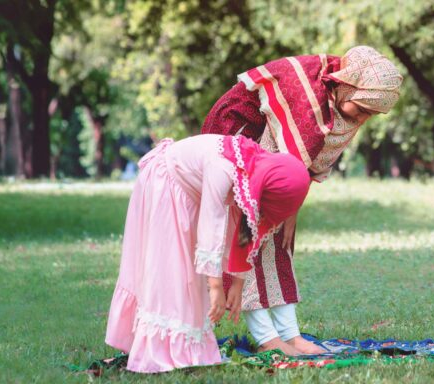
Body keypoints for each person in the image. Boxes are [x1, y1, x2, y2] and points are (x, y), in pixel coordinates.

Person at [201, 46, 402, 355]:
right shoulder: (305, 93)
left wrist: (289, 204)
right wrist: (284, 205)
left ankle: (289, 334)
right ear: (346, 85)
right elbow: (275, 157)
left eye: (370, 114)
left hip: (273, 166)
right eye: (361, 109)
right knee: (249, 241)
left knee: (279, 244)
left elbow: (307, 155)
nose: (362, 119)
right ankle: (267, 337)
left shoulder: (335, 96)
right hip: (238, 142)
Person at [105, 134, 310, 372]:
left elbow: (243, 228)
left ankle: (186, 347)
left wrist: (237, 283)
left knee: (188, 279)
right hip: (166, 184)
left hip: (189, 194)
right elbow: (211, 223)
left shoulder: (252, 172)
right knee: (169, 271)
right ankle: (156, 349)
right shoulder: (223, 167)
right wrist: (216, 288)